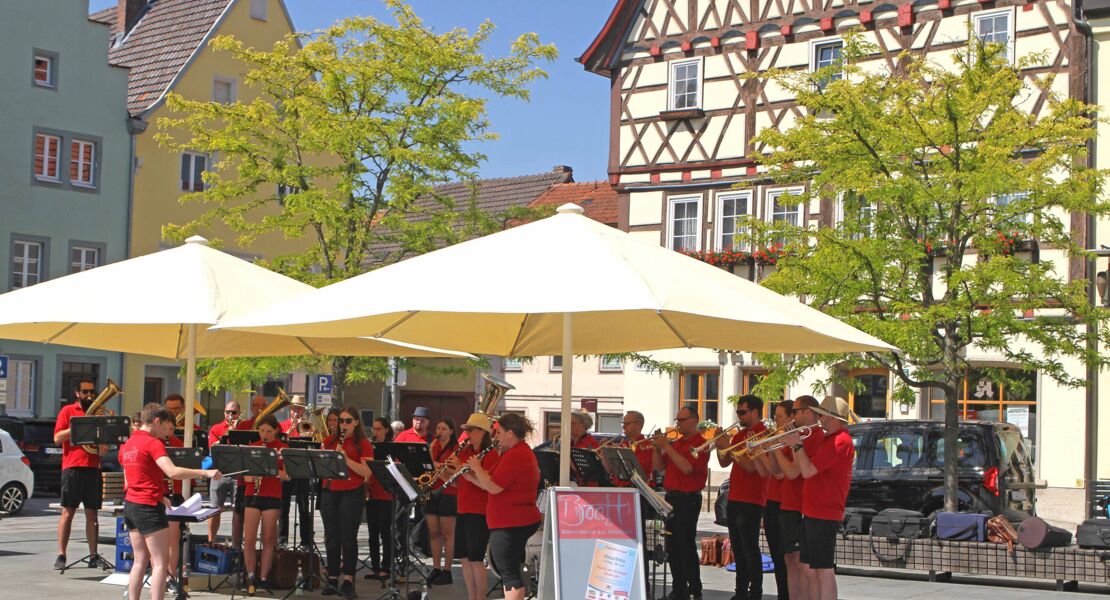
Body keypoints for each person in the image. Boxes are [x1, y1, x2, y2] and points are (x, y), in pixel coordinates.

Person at [119, 403, 220, 600]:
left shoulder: (130, 443)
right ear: (157, 421)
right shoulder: (153, 443)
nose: (166, 432)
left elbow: (135, 476)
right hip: (148, 507)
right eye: (165, 426)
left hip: (131, 504)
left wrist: (161, 495)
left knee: (139, 560)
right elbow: (172, 472)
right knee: (160, 563)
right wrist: (204, 472)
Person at [780, 397, 855, 600]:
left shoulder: (839, 441)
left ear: (833, 418)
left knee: (823, 569)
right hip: (813, 511)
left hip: (824, 512)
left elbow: (807, 471)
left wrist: (796, 445)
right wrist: (794, 445)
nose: (819, 418)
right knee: (809, 568)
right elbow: (805, 467)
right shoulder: (829, 439)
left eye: (821, 415)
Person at [464, 412, 541, 600]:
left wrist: (477, 467)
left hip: (511, 522)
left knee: (509, 575)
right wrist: (470, 477)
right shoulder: (513, 453)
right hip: (510, 520)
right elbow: (489, 481)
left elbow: (493, 487)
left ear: (510, 433)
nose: (496, 437)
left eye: (499, 432)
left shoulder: (517, 455)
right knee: (510, 572)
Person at [770, 395, 825, 600]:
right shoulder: (798, 435)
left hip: (800, 505)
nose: (792, 417)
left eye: (795, 412)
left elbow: (793, 472)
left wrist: (781, 449)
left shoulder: (814, 436)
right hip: (788, 504)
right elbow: (776, 471)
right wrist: (773, 447)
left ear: (807, 412)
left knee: (802, 564)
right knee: (789, 560)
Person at [652, 406, 709, 600]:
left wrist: (667, 447)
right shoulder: (676, 443)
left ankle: (694, 588)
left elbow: (687, 468)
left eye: (682, 420)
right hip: (672, 498)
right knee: (673, 546)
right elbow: (659, 467)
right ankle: (678, 589)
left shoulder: (701, 443)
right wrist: (657, 448)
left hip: (688, 498)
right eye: (677, 420)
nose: (678, 424)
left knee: (686, 545)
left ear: (694, 420)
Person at [716, 395, 768, 600]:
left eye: (742, 412)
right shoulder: (740, 435)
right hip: (735, 497)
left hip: (753, 499)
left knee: (750, 548)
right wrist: (720, 445)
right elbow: (724, 462)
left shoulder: (763, 434)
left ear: (755, 412)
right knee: (738, 548)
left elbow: (750, 466)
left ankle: (755, 593)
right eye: (738, 412)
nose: (738, 416)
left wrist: (730, 446)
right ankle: (740, 592)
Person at [52, 377, 106, 570]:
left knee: (93, 515)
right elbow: (57, 438)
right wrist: (77, 426)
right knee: (68, 512)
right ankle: (61, 555)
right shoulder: (68, 411)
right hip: (72, 467)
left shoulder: (99, 413)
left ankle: (93, 556)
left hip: (93, 467)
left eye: (92, 392)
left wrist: (103, 446)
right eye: (85, 392)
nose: (89, 395)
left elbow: (104, 449)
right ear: (77, 393)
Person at [321, 406, 373, 598]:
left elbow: (366, 472)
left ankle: (349, 580)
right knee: (331, 537)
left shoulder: (363, 444)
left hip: (352, 493)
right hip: (329, 491)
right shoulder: (329, 441)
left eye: (348, 421)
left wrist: (346, 459)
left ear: (356, 422)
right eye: (341, 421)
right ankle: (333, 578)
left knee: (348, 538)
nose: (343, 424)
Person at [446, 413, 499, 600]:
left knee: (476, 559)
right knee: (464, 558)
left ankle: (480, 597)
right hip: (462, 509)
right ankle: (471, 597)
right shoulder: (466, 452)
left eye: (471, 430)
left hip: (479, 511)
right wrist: (443, 472)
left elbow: (486, 484)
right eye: (467, 430)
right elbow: (458, 483)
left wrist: (462, 470)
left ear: (483, 432)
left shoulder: (490, 455)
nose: (467, 433)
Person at [242, 414, 290, 595]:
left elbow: (288, 476)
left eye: (269, 431)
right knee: (249, 539)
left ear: (276, 430)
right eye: (262, 431)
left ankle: (263, 578)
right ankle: (250, 576)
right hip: (252, 494)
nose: (265, 435)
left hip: (272, 495)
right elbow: (247, 478)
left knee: (268, 538)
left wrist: (271, 469)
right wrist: (254, 470)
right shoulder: (252, 447)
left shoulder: (282, 449)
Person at [754, 400, 793, 600]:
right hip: (771, 502)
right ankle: (781, 594)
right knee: (776, 555)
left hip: (784, 502)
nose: (775, 420)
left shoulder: (790, 442)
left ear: (791, 417)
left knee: (785, 556)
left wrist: (766, 450)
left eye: (779, 416)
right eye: (775, 416)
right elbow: (764, 472)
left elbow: (778, 473)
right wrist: (756, 452)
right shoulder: (777, 439)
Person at [207, 400, 247, 545]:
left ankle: (236, 545)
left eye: (234, 412)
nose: (230, 415)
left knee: (238, 509)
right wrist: (227, 434)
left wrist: (236, 432)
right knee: (215, 508)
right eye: (227, 412)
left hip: (238, 473)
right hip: (220, 472)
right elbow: (212, 448)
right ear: (224, 412)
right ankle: (211, 542)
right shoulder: (216, 428)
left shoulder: (244, 428)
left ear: (239, 413)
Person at [425, 417, 459, 585]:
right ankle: (436, 568)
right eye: (438, 428)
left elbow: (456, 478)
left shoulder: (456, 449)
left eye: (444, 429)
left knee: (447, 535)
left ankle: (447, 570)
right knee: (434, 533)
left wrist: (438, 467)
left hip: (449, 493)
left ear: (451, 431)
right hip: (432, 492)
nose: (439, 432)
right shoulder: (433, 447)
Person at [279, 395, 312, 548]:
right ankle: (282, 540)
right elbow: (278, 443)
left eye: (299, 409)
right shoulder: (282, 426)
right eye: (294, 409)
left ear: (303, 411)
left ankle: (306, 542)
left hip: (302, 470)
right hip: (285, 470)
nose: (296, 412)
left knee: (304, 507)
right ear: (290, 410)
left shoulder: (307, 426)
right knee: (283, 507)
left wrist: (307, 434)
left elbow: (313, 446)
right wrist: (290, 430)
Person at [364, 417, 394, 582]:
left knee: (385, 531)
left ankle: (385, 567)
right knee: (372, 533)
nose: (375, 432)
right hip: (372, 492)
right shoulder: (370, 446)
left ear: (386, 430)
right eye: (374, 429)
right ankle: (375, 567)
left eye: (379, 429)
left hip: (386, 493)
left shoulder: (392, 447)